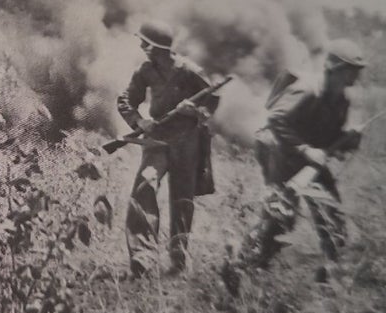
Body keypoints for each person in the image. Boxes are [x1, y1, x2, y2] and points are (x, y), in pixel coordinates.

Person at [224, 39, 366, 293]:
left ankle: (330, 278)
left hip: (307, 159)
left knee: (331, 214)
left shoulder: (340, 100)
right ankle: (240, 263)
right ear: (334, 69)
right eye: (351, 70)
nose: (355, 76)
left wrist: (348, 140)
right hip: (279, 151)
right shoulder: (307, 90)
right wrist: (305, 149)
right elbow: (276, 120)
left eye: (356, 71)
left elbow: (327, 139)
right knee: (281, 216)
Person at [117, 20, 219, 278]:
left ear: (156, 47)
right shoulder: (145, 71)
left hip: (187, 140)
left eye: (146, 43)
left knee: (182, 198)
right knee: (145, 187)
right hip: (158, 140)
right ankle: (143, 257)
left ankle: (178, 257)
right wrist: (139, 121)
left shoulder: (189, 70)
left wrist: (194, 110)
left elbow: (212, 99)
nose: (141, 46)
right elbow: (126, 100)